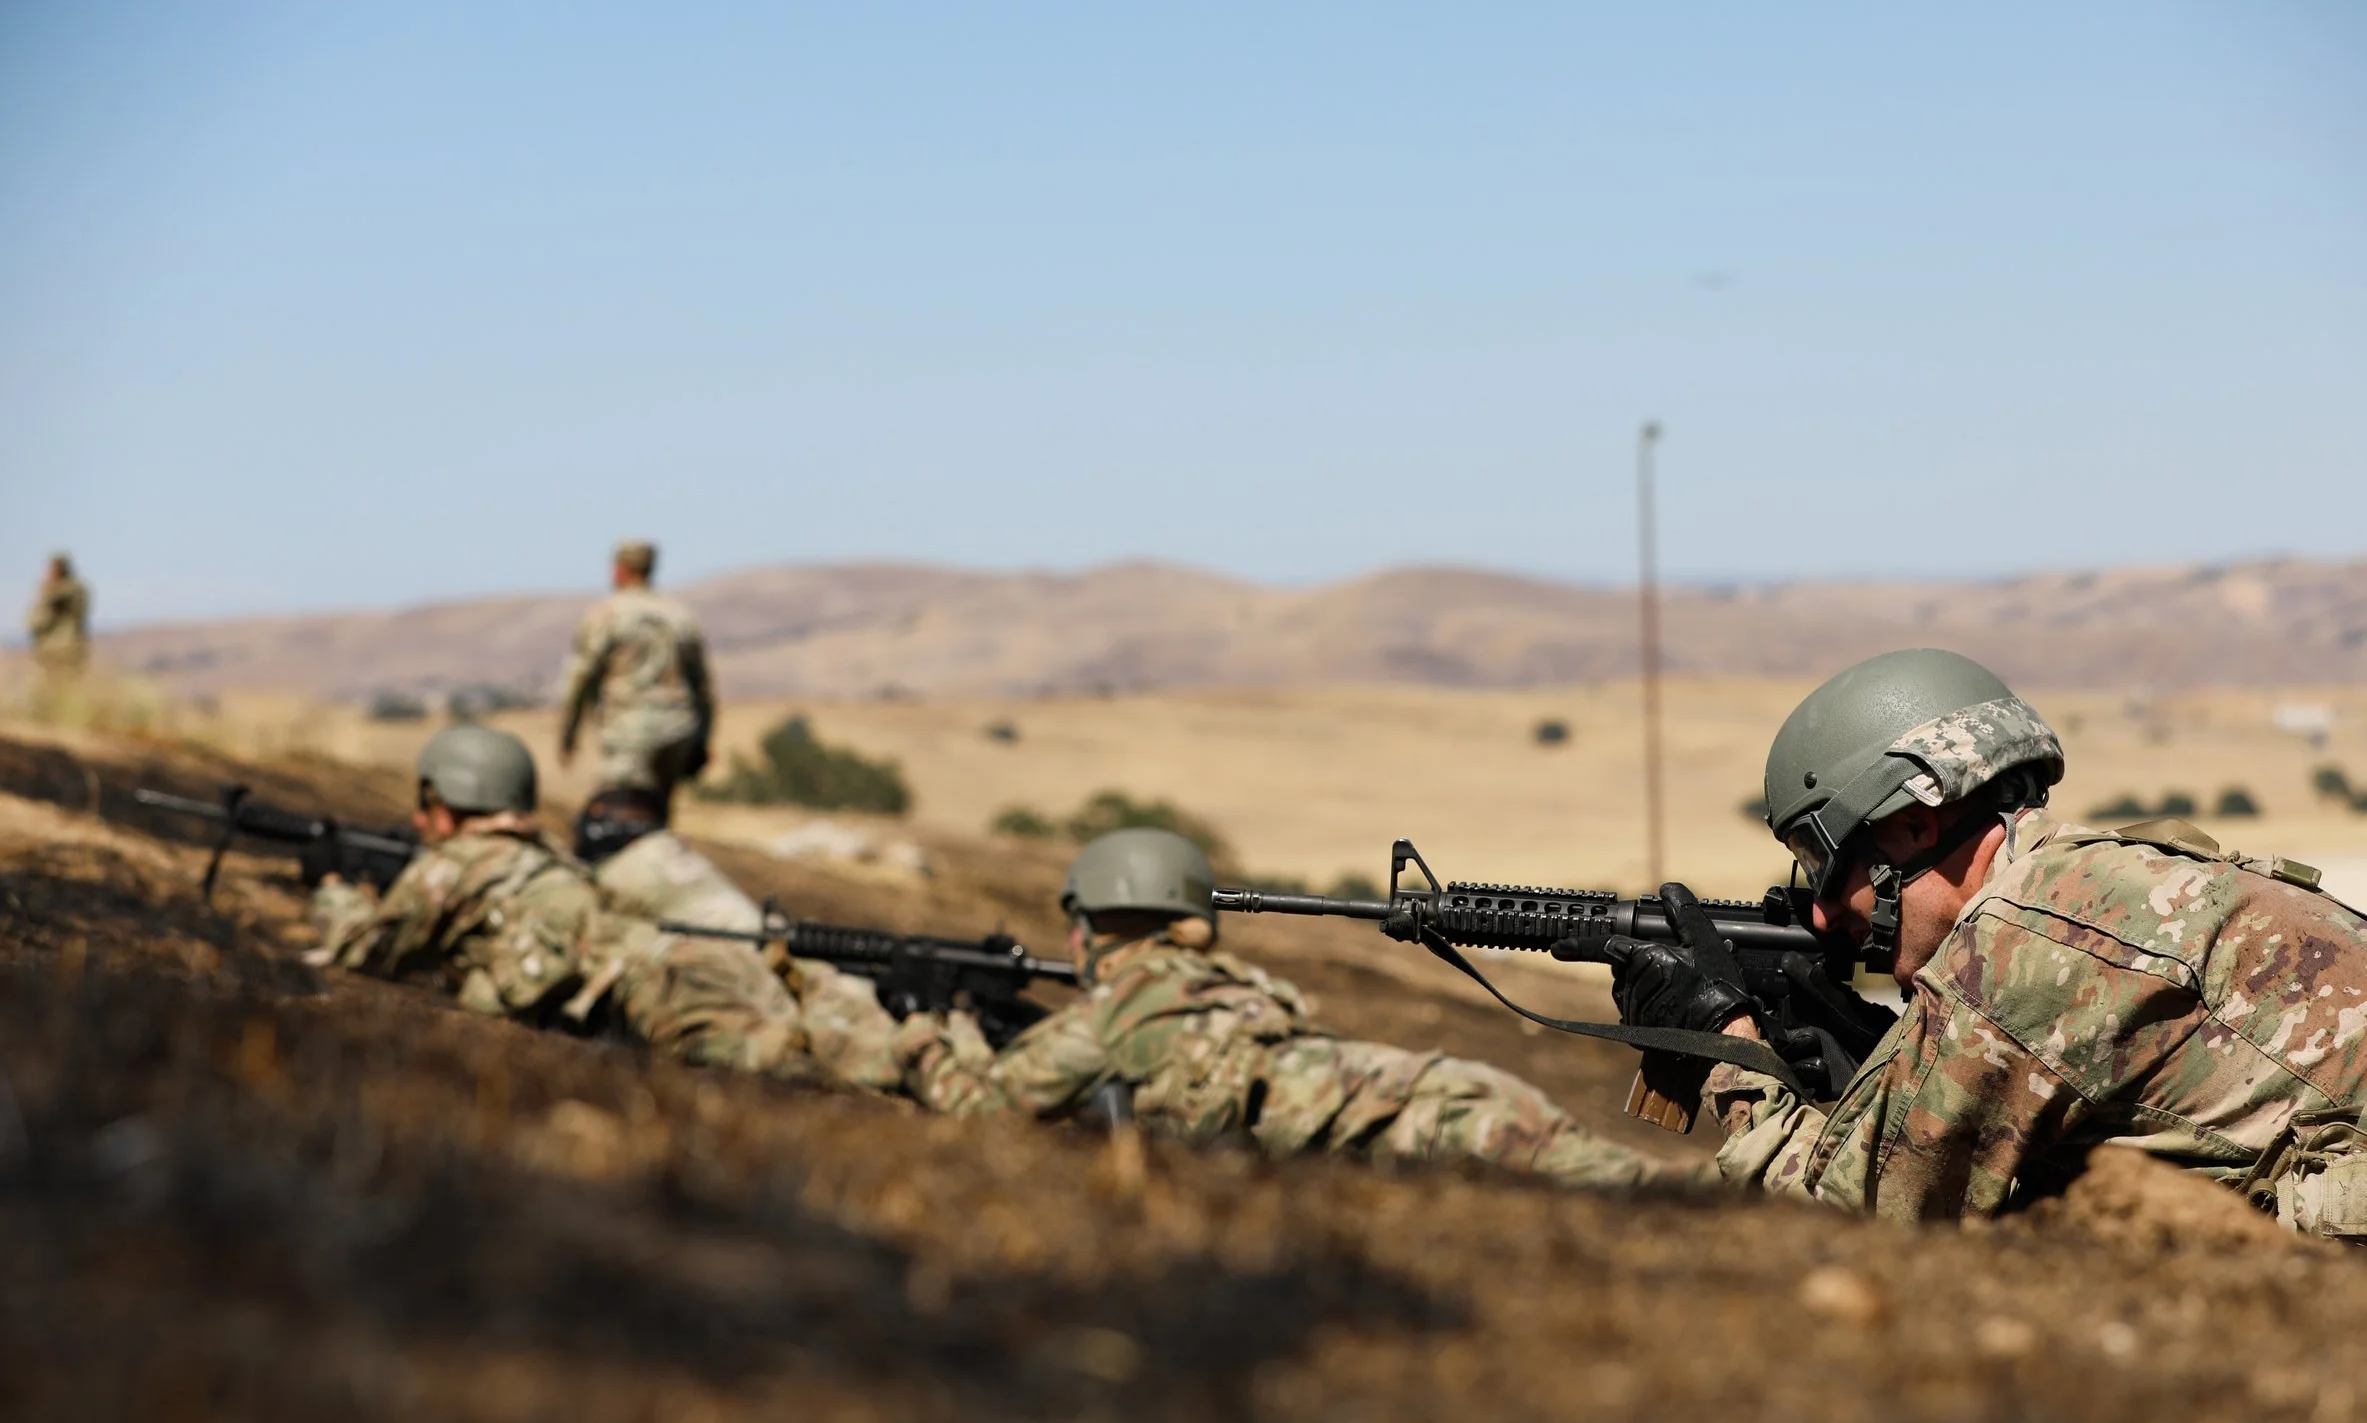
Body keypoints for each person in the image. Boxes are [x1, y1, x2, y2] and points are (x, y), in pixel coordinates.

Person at [1605, 648, 2367, 1246]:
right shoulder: (2100, 882)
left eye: (1825, 863)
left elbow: (1842, 1220)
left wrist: (1727, 1046)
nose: (1824, 914)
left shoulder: (2026, 940)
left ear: (1915, 825)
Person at [886, 828, 1677, 1190]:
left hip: (1432, 1124)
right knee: (1654, 1194)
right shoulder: (1228, 987)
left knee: (1669, 1208)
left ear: (1096, 922)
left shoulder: (1119, 1014)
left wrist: (925, 1026)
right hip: (1444, 1092)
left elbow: (981, 1105)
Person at [307, 722, 854, 1077]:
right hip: (680, 967)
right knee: (845, 1049)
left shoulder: (456, 866)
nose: (418, 820)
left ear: (444, 802)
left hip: (650, 995)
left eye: (425, 803)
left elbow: (364, 950)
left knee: (796, 1070)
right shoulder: (548, 856)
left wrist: (333, 891)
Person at [555, 540, 716, 852]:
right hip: (677, 729)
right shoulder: (680, 615)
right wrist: (702, 738)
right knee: (657, 818)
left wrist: (568, 733)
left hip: (629, 732)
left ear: (619, 569)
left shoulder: (607, 614)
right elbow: (703, 686)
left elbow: (580, 678)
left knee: (617, 821)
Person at [25, 553, 90, 719]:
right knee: (49, 686)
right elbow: (37, 619)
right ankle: (51, 715)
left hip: (67, 647)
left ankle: (67, 716)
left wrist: (50, 589)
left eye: (54, 569)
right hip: (49, 647)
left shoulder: (72, 589)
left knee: (68, 685)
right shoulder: (52, 589)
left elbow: (72, 606)